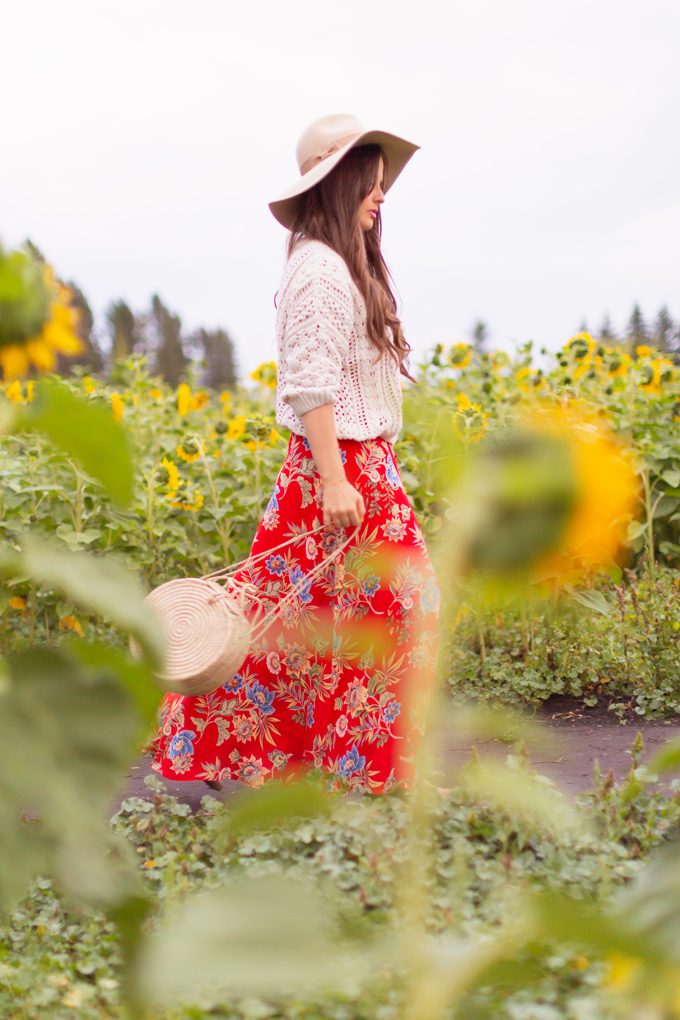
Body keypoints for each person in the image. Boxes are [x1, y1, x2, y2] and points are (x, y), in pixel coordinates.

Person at [151, 114, 440, 794]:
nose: (380, 195)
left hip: (352, 463)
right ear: (339, 183)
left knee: (295, 620)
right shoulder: (318, 268)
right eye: (371, 182)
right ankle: (353, 770)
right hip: (335, 466)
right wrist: (336, 479)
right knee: (400, 604)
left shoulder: (337, 262)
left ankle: (337, 767)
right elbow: (310, 384)